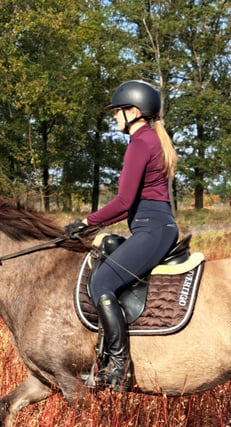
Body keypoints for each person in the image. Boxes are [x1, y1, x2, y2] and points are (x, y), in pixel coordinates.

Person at [65, 79, 180, 392]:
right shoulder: (150, 141)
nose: (114, 117)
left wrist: (85, 222)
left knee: (101, 283)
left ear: (133, 111)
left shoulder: (141, 144)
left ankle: (117, 368)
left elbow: (124, 203)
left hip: (152, 229)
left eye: (118, 111)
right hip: (153, 227)